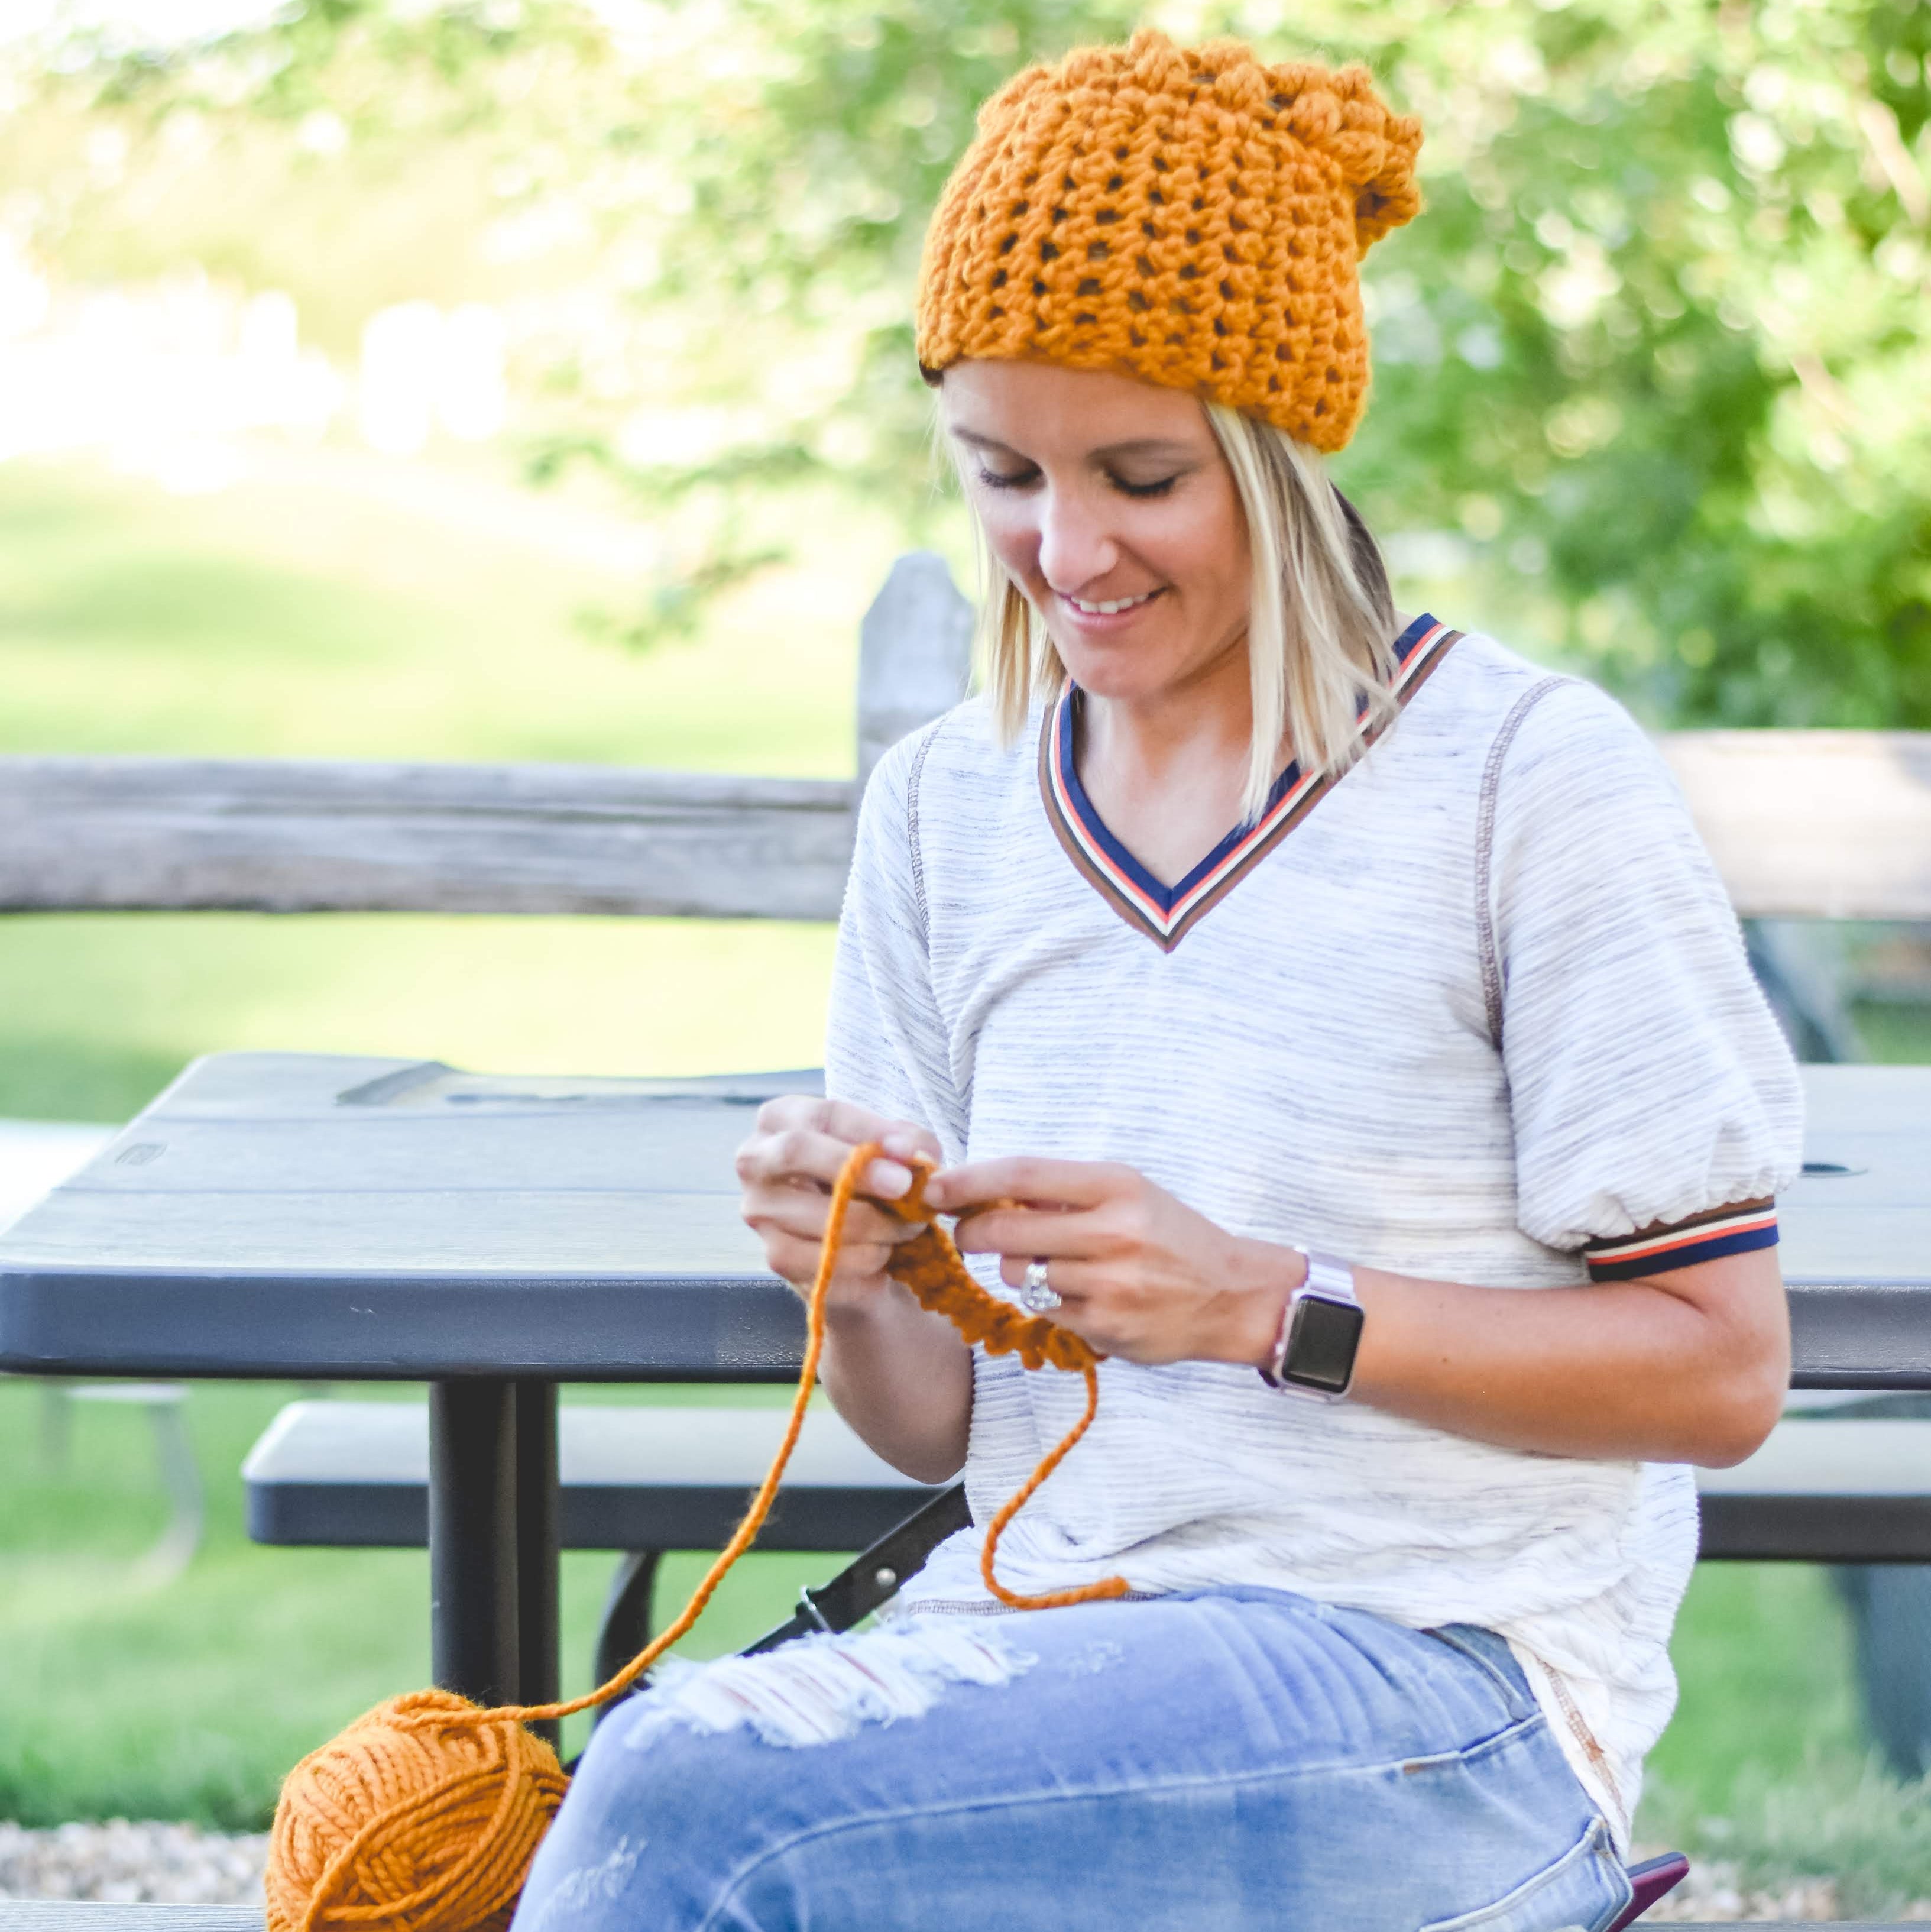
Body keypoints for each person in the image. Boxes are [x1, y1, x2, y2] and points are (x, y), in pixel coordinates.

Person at [511, 28, 1802, 1931]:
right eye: (1001, 472)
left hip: (1442, 1702)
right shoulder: (947, 810)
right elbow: (944, 1428)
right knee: (673, 1800)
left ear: (1277, 458)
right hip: (1031, 1642)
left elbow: (1717, 1370)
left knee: (689, 1805)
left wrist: (1269, 1302)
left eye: (1138, 473)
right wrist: (855, 1278)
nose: (1065, 547)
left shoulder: (1524, 779)